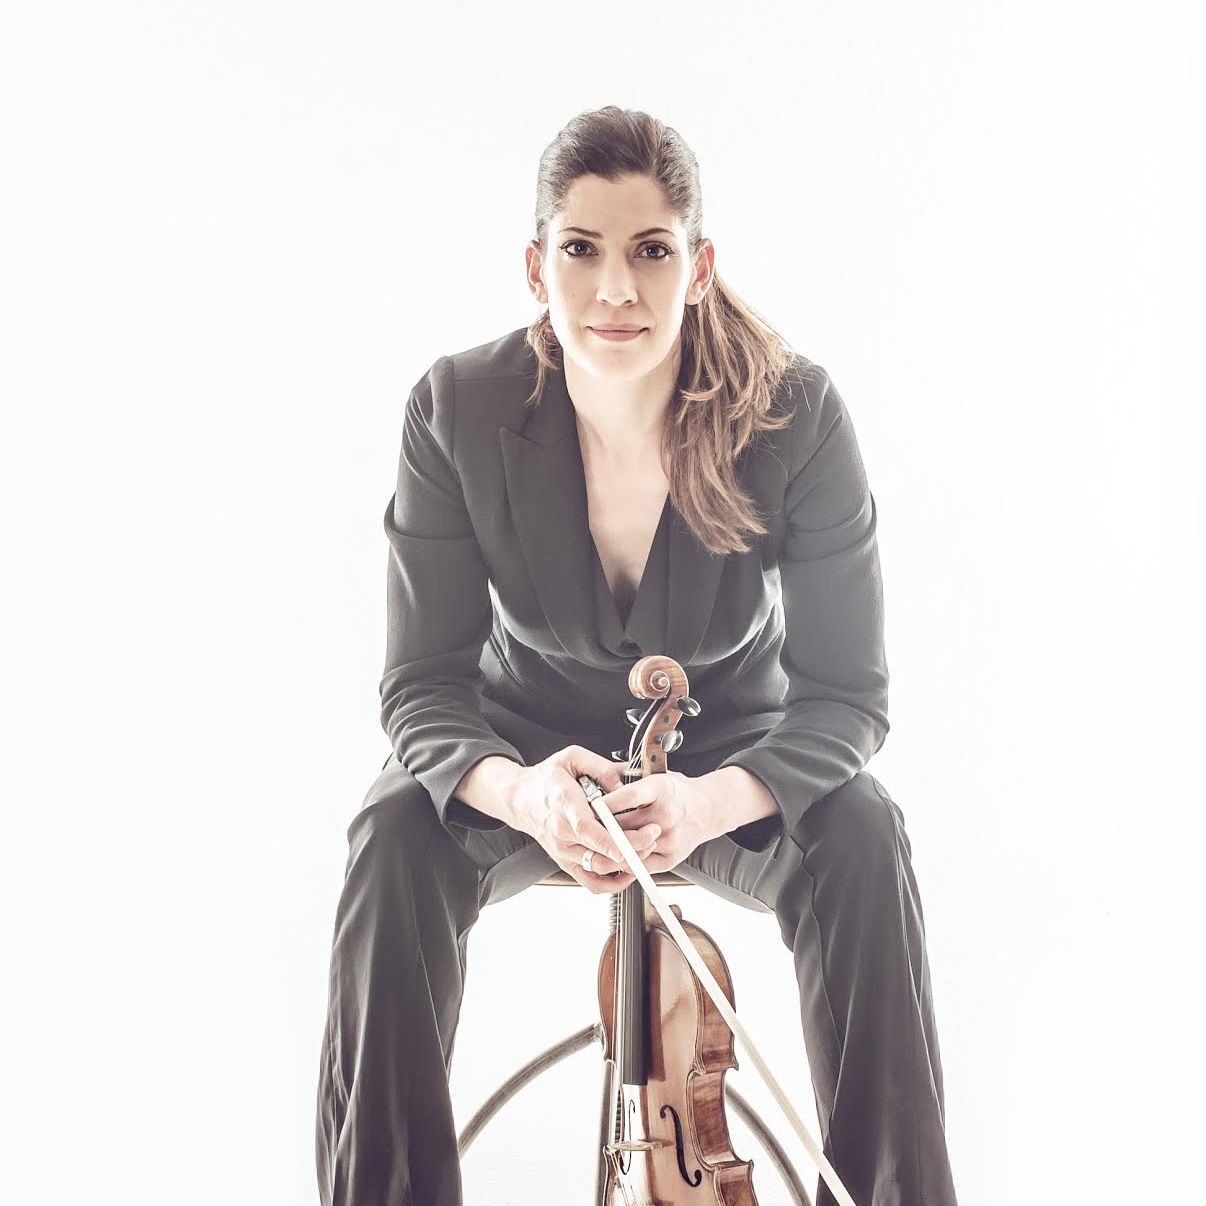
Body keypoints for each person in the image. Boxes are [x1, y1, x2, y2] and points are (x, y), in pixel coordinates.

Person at [315, 105, 959, 1206]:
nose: (615, 288)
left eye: (651, 250)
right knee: (391, 832)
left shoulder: (795, 413)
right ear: (537, 268)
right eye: (583, 249)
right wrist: (520, 792)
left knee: (864, 831)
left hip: (730, 755)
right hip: (525, 750)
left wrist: (711, 802)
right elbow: (421, 684)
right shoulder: (455, 407)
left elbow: (849, 697)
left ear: (698, 268)